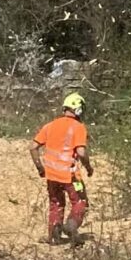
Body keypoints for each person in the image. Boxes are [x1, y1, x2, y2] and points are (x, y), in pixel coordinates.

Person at [30, 89, 93, 244]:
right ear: (79, 109)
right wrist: (88, 167)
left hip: (51, 175)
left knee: (56, 203)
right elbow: (81, 152)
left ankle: (54, 236)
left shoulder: (50, 126)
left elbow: (33, 147)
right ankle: (71, 226)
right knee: (80, 202)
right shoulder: (78, 127)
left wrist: (40, 168)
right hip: (71, 176)